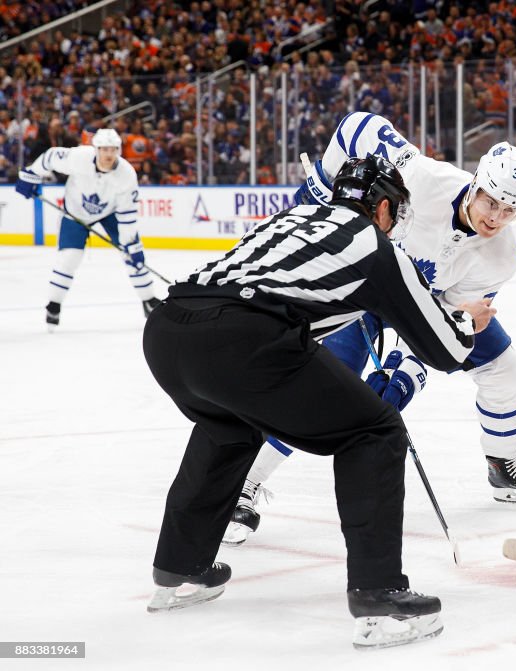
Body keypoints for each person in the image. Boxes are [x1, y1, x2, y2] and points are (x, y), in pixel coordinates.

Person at [142, 156, 494, 649]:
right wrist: (468, 323)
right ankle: (379, 596)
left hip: (167, 329)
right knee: (374, 430)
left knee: (230, 426)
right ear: (384, 206)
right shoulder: (371, 244)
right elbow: (446, 350)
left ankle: (179, 567)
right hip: (242, 338)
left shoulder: (292, 217)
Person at [223, 113, 516, 545]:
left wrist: (403, 375)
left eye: (510, 210)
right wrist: (317, 190)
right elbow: (357, 126)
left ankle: (504, 465)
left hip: (420, 307)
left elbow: (444, 326)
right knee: (321, 384)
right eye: (491, 201)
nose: (496, 217)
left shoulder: (501, 256)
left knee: (505, 368)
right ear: (475, 183)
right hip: (362, 285)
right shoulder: (422, 178)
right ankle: (244, 484)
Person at [15, 128, 158, 330]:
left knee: (132, 255)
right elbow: (50, 158)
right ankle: (54, 305)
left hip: (110, 213)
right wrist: (31, 174)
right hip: (75, 212)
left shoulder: (126, 174)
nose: (109, 154)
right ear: (96, 149)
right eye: (105, 149)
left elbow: (127, 215)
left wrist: (130, 244)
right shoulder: (79, 157)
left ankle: (148, 300)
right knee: (69, 258)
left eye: (113, 149)